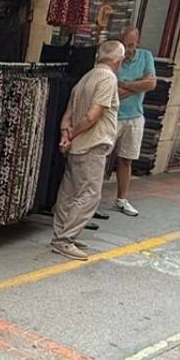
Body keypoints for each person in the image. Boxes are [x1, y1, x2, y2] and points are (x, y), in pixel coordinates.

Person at [51, 40, 124, 261]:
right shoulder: (108, 79)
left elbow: (68, 114)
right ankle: (65, 239)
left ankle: (61, 235)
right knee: (90, 193)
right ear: (118, 61)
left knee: (70, 191)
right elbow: (93, 116)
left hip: (77, 146)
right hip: (92, 142)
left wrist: (66, 135)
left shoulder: (85, 78)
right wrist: (72, 134)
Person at [111, 26, 155, 217]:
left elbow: (151, 83)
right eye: (124, 44)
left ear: (137, 42)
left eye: (131, 44)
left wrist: (125, 84)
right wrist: (138, 85)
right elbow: (112, 93)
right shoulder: (115, 58)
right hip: (113, 116)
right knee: (102, 158)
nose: (127, 49)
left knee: (126, 159)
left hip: (135, 116)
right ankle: (92, 199)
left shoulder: (145, 56)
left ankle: (122, 199)